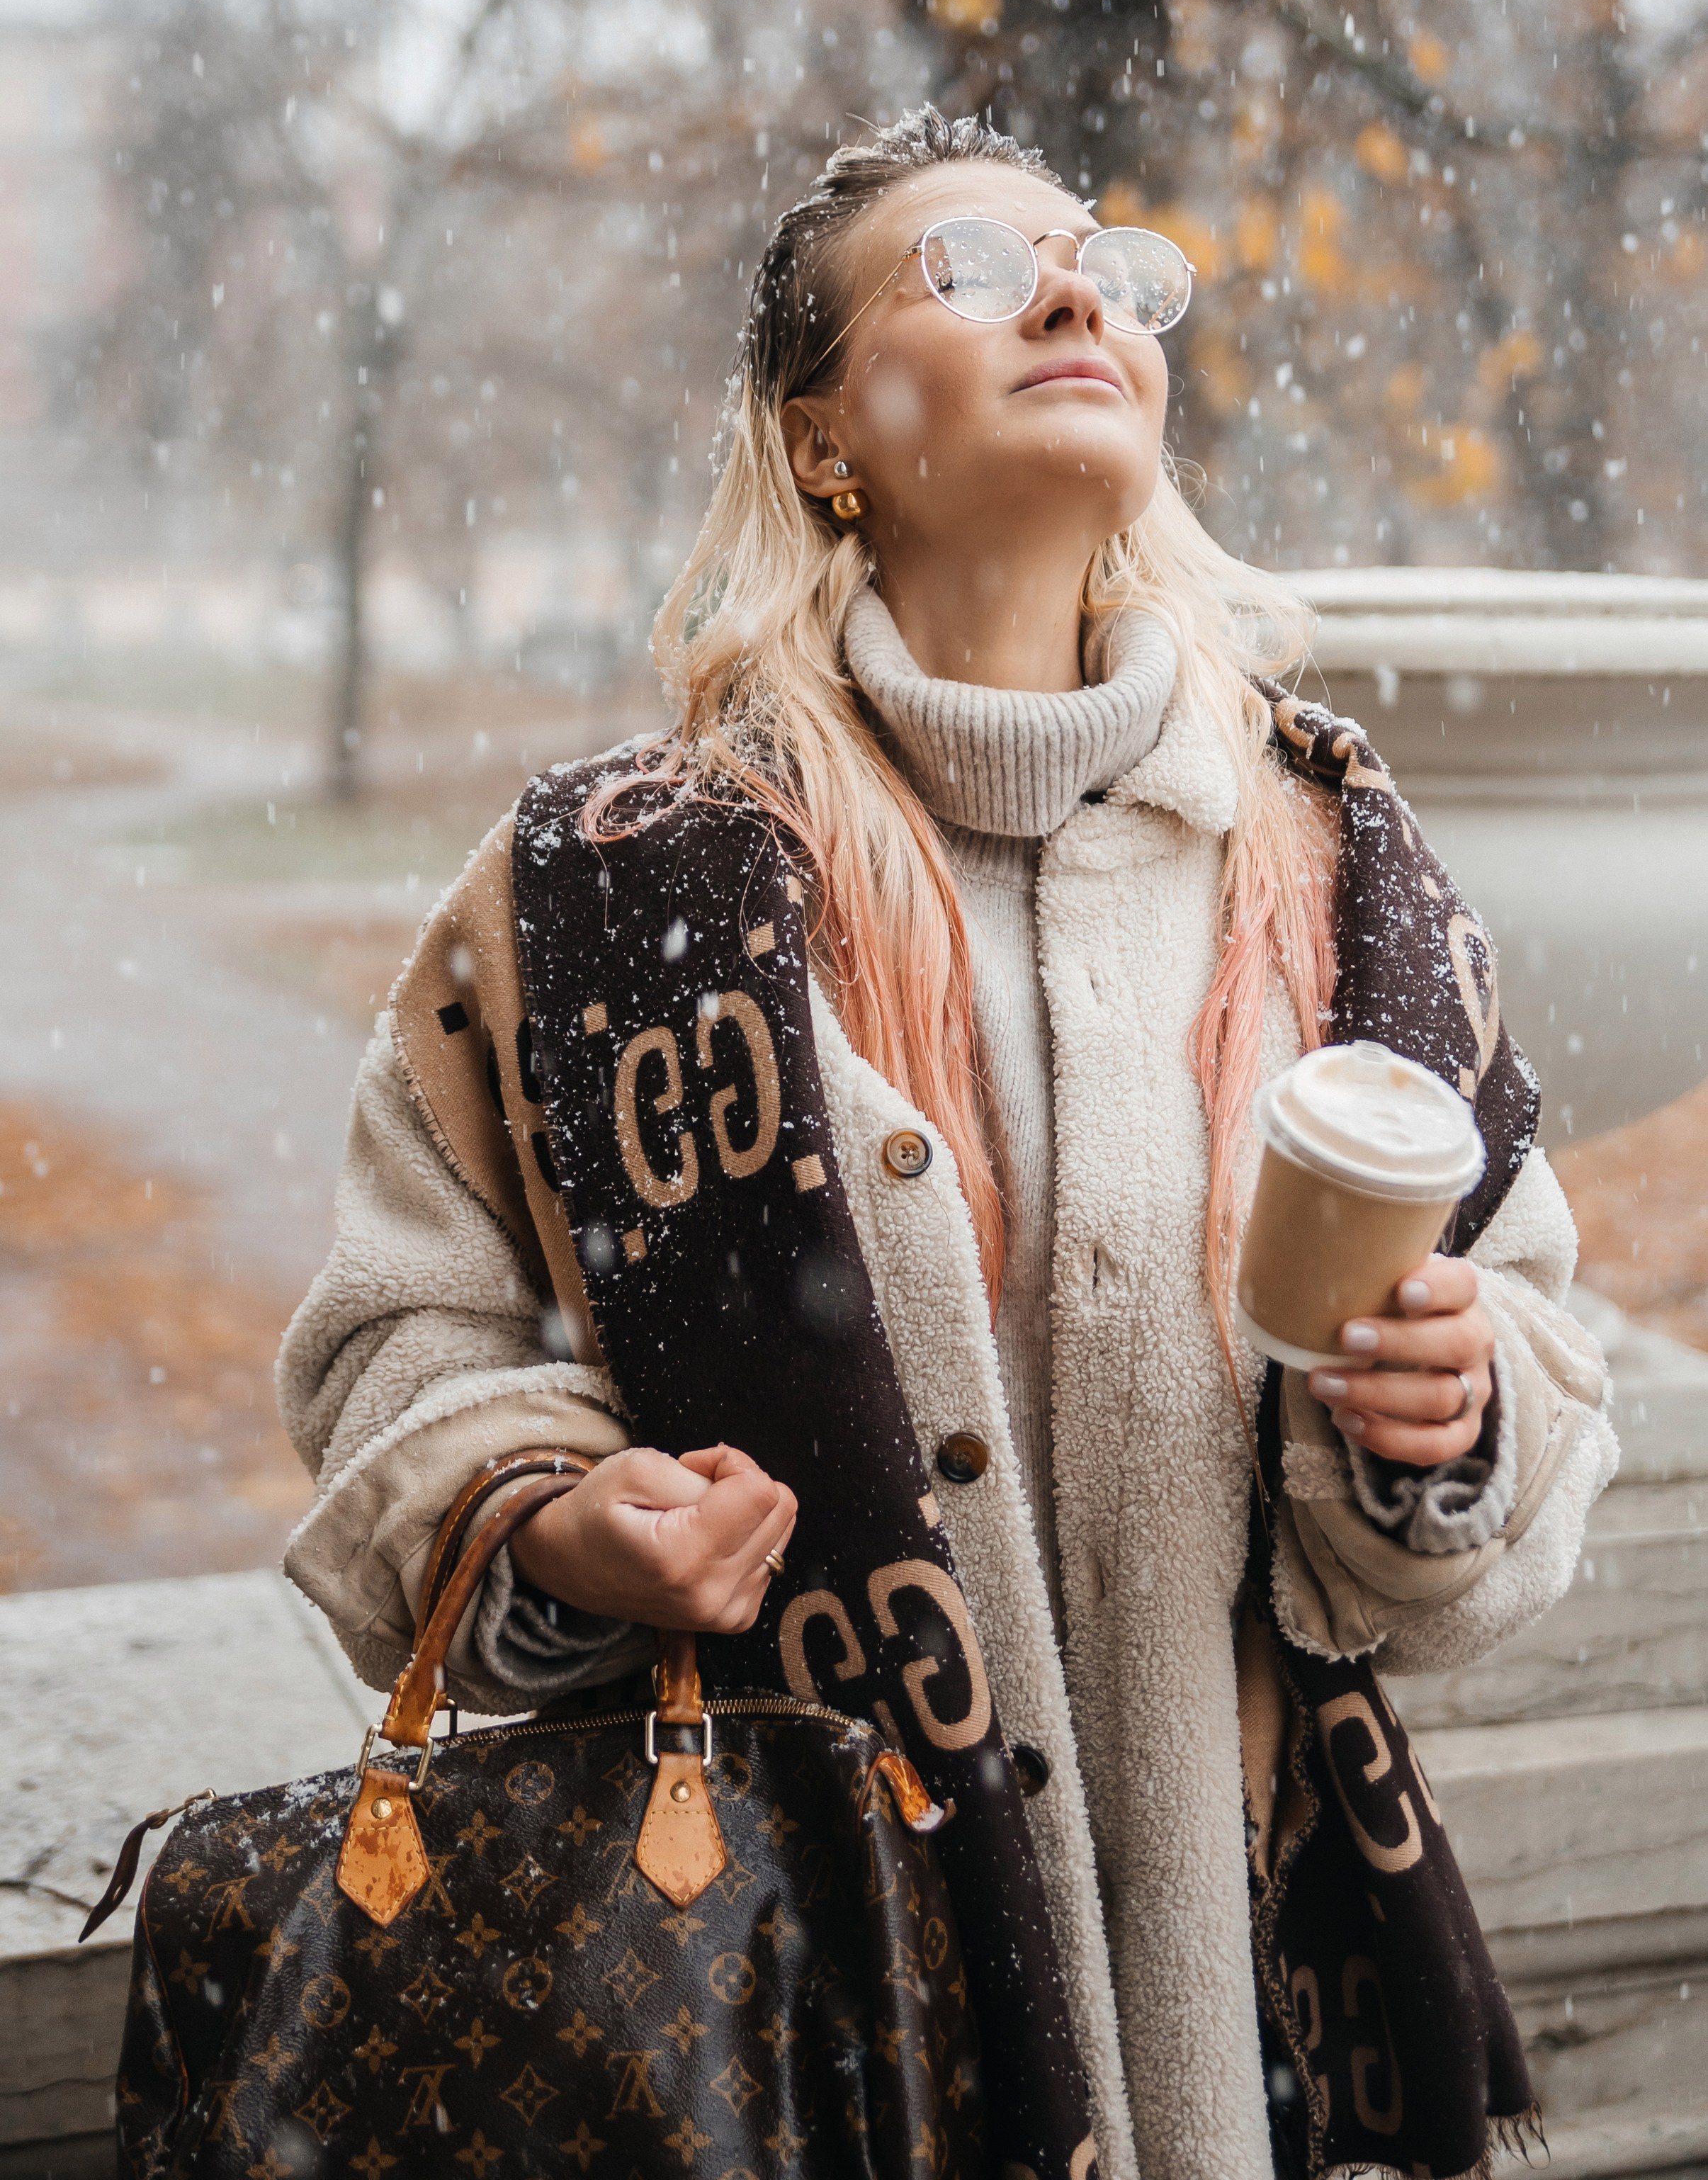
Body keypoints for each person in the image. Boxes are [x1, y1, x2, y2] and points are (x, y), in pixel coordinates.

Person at [278, 108, 1615, 2180]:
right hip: (804, 2028)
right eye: (971, 270)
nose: (1075, 293)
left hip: (1254, 2031)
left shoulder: (1333, 863)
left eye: (1111, 267)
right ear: (822, 437)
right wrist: (554, 1521)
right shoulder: (610, 890)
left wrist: (1454, 1414)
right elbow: (401, 1339)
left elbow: (1525, 1327)